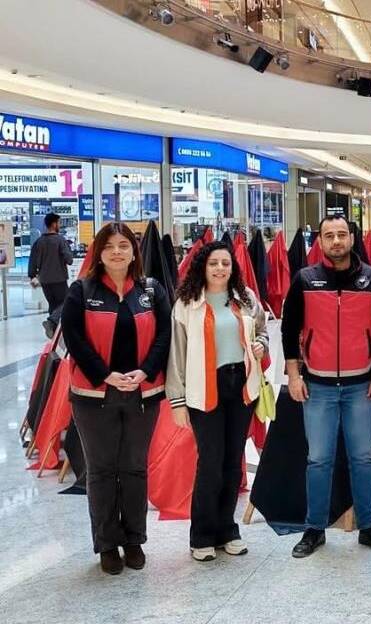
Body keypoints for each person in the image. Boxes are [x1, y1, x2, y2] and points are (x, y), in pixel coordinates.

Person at [281, 214, 371, 558]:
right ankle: (314, 528)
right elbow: (289, 329)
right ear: (319, 240)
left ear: (352, 238)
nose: (336, 241)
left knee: (362, 458)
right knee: (318, 459)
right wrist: (293, 376)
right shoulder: (305, 279)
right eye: (329, 235)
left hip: (361, 386)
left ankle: (368, 527)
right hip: (317, 387)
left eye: (342, 234)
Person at [61, 222, 171, 575]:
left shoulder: (151, 290)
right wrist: (105, 374)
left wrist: (145, 371)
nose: (117, 252)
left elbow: (165, 335)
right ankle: (107, 544)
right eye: (109, 246)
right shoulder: (82, 291)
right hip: (94, 395)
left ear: (134, 252)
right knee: (102, 470)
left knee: (134, 468)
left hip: (143, 392)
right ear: (98, 253)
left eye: (124, 245)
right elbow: (74, 339)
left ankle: (134, 539)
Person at [167, 241, 268, 562]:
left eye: (225, 263)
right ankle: (202, 534)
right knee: (210, 462)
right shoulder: (186, 304)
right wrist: (177, 401)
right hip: (203, 388)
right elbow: (176, 355)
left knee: (232, 461)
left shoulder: (245, 297)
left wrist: (261, 344)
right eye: (213, 263)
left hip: (240, 387)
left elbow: (262, 329)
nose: (220, 269)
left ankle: (228, 529)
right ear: (202, 267)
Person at [28, 212, 73, 338]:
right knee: (67, 302)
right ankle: (51, 321)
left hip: (44, 280)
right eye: (59, 222)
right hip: (59, 278)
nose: (60, 225)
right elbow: (69, 260)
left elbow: (32, 261)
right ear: (54, 224)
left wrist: (32, 276)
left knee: (53, 305)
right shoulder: (60, 240)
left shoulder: (38, 242)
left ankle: (53, 333)